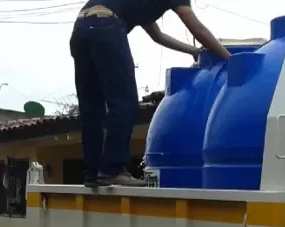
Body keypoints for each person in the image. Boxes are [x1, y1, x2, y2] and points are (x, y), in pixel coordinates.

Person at [70, 0, 231, 187]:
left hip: (81, 29)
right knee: (124, 103)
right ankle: (111, 170)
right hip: (105, 26)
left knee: (92, 109)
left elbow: (158, 35)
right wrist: (230, 58)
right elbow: (198, 30)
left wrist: (193, 51)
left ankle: (92, 173)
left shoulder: (141, 5)